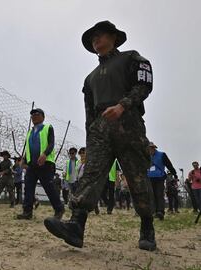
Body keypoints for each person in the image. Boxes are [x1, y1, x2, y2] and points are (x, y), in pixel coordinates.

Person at [44, 21, 157, 251]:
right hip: (100, 131)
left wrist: (123, 106)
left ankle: (147, 227)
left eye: (101, 35)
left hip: (129, 125)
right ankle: (76, 226)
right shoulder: (90, 78)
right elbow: (89, 110)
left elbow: (144, 86)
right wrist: (91, 131)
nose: (96, 40)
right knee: (91, 176)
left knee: (136, 178)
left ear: (113, 37)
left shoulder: (131, 58)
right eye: (93, 37)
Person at [16, 108, 64, 220]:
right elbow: (28, 147)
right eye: (32, 115)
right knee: (28, 187)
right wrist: (24, 159)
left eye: (37, 114)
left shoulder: (48, 128)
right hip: (32, 165)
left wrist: (45, 154)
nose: (34, 116)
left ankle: (59, 209)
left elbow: (51, 144)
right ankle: (27, 212)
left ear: (43, 117)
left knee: (49, 187)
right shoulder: (30, 132)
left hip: (45, 163)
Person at [147, 142, 178, 220]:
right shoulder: (146, 156)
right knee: (152, 196)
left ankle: (160, 212)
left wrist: (174, 173)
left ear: (154, 148)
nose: (149, 149)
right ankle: (154, 211)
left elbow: (169, 165)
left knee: (159, 195)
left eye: (151, 148)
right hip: (149, 178)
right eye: (148, 148)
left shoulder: (162, 155)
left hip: (159, 178)